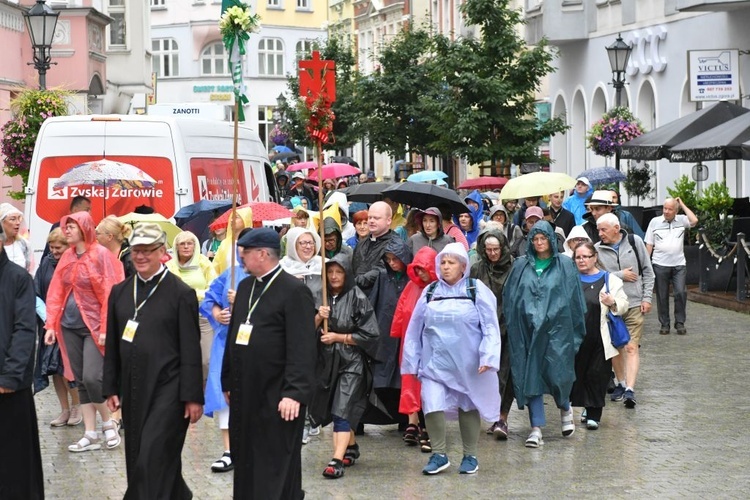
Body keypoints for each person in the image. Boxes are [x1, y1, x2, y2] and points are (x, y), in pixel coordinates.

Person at [103, 223, 204, 499]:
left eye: (148, 251)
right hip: (134, 387)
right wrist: (111, 386)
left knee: (153, 453)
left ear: (162, 252)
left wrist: (193, 396)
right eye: (136, 250)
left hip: (169, 388)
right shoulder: (120, 292)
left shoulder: (180, 294)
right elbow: (113, 342)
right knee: (139, 455)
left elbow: (191, 349)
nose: (141, 257)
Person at [222, 228, 316, 498]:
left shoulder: (294, 290)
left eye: (245, 254)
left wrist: (294, 393)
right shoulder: (245, 286)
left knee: (275, 461)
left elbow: (303, 347)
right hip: (246, 392)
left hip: (278, 394)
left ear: (263, 254)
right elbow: (233, 336)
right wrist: (228, 380)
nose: (241, 259)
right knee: (247, 458)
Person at [402, 243, 501, 475]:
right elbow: (414, 330)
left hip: (468, 365)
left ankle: (470, 456)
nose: (446, 267)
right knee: (431, 403)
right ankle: (438, 454)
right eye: (443, 262)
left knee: (468, 405)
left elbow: (490, 327)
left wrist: (488, 355)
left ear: (463, 266)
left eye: (451, 262)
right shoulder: (430, 292)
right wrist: (412, 361)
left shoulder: (475, 290)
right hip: (434, 363)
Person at [44, 212, 125, 454]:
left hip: (94, 327)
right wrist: (50, 325)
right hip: (69, 326)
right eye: (65, 226)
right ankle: (90, 433)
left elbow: (110, 292)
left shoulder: (100, 255)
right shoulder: (67, 256)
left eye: (71, 226)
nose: (66, 230)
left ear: (84, 228)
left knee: (92, 377)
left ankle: (108, 423)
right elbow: (56, 290)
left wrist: (105, 327)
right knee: (79, 379)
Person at [503, 220, 586, 448]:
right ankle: (536, 428)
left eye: (543, 238)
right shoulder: (521, 266)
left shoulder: (565, 265)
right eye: (535, 239)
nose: (539, 243)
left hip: (557, 332)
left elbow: (574, 300)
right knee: (531, 378)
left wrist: (574, 333)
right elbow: (510, 297)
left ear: (551, 239)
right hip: (528, 333)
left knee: (558, 373)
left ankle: (565, 407)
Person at [310, 253, 381, 479]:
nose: (333, 276)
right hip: (326, 362)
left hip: (351, 362)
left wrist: (338, 338)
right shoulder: (319, 297)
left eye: (339, 272)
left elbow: (370, 334)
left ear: (347, 273)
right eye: (330, 272)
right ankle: (350, 446)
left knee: (341, 409)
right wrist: (319, 318)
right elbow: (304, 331)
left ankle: (336, 459)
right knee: (333, 405)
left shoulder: (357, 297)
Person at [200, 228, 252, 473]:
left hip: (255, 345)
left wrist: (240, 301)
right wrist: (218, 314)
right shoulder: (229, 274)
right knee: (225, 394)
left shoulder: (270, 276)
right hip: (226, 343)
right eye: (241, 247)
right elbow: (208, 300)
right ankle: (229, 450)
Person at [0, 220, 45, 500]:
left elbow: (25, 329)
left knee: (15, 459)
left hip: (8, 385)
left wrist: (10, 377)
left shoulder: (18, 278)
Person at [596, 213, 655, 409]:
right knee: (615, 348)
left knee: (631, 347)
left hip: (635, 303)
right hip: (611, 305)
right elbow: (596, 275)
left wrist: (646, 298)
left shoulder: (634, 241)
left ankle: (630, 389)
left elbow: (647, 271)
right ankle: (620, 383)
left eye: (603, 229)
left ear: (616, 228)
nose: (600, 233)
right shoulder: (597, 249)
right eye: (598, 230)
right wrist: (620, 275)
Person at [571, 242, 628, 430]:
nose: (581, 260)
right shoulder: (570, 279)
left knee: (597, 374)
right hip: (576, 337)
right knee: (579, 374)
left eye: (585, 256)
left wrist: (612, 302)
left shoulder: (610, 280)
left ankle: (594, 413)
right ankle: (583, 406)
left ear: (594, 257)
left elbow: (623, 305)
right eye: (578, 257)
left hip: (600, 337)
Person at [390, 246, 438, 452]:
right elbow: (401, 311)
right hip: (411, 345)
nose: (419, 273)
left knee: (428, 385)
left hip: (431, 346)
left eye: (423, 268)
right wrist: (398, 332)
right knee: (410, 382)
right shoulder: (411, 287)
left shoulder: (438, 288)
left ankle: (427, 425)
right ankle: (413, 421)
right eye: (416, 268)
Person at [470, 224, 514, 440]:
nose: (493, 253)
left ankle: (502, 418)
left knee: (506, 373)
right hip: (484, 328)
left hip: (508, 327)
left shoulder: (514, 267)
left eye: (496, 249)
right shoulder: (477, 269)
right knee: (486, 374)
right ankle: (488, 413)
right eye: (488, 249)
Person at [35, 228, 82, 426]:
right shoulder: (46, 263)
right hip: (49, 325)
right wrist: (48, 317)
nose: (54, 252)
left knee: (68, 368)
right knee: (53, 368)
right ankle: (64, 409)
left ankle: (77, 407)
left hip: (70, 324)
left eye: (58, 248)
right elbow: (36, 290)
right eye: (52, 248)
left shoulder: (76, 264)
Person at [367, 237, 413, 427]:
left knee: (403, 379)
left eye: (396, 259)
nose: (392, 263)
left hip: (406, 335)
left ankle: (406, 419)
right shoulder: (383, 278)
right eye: (389, 259)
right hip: (386, 333)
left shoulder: (412, 278)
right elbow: (373, 303)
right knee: (384, 379)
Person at [166, 231, 218, 382]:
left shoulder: (204, 263)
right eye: (182, 244)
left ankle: (205, 391)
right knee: (181, 356)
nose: (186, 247)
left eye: (190, 243)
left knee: (205, 359)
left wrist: (193, 294)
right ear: (176, 247)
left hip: (202, 313)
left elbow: (213, 287)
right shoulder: (169, 266)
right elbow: (168, 291)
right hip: (178, 315)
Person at [645, 197, 698, 335]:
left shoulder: (681, 220)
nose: (666, 211)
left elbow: (694, 220)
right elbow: (649, 244)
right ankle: (665, 324)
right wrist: (645, 264)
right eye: (665, 208)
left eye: (670, 209)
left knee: (680, 292)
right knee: (662, 296)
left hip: (679, 264)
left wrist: (682, 204)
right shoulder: (655, 222)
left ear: (676, 211)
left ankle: (680, 322)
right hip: (659, 264)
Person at [351, 201, 395, 295]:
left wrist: (352, 282)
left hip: (380, 298)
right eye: (370, 217)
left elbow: (379, 272)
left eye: (376, 218)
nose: (371, 221)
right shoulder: (362, 243)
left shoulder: (394, 245)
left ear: (388, 220)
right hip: (358, 298)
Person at [280, 227, 324, 306]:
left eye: (311, 242)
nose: (308, 246)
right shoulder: (282, 267)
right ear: (293, 245)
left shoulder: (323, 264)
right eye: (303, 243)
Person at [42, 195, 92, 261]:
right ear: (75, 210)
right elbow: (47, 253)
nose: (90, 213)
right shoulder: (57, 226)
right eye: (87, 210)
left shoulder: (90, 228)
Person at [213, 207, 253, 275]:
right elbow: (215, 268)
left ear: (245, 220)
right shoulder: (224, 244)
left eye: (236, 217)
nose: (232, 220)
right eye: (231, 217)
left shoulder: (253, 242)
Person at [0, 203, 32, 272]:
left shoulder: (23, 244)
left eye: (19, 219)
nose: (18, 223)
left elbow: (27, 269)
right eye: (13, 219)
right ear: (2, 222)